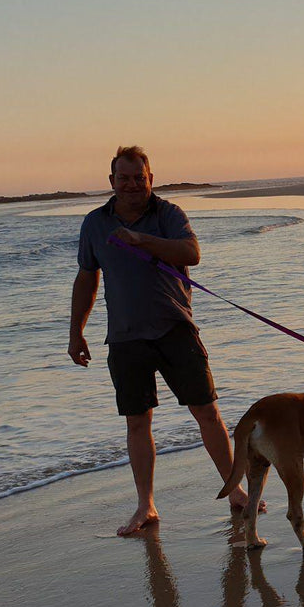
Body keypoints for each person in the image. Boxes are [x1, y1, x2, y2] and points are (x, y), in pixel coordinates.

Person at [68, 146, 252, 535]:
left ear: (150, 178)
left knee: (207, 413)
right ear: (112, 182)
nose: (133, 185)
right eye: (125, 178)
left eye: (140, 177)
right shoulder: (95, 223)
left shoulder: (168, 214)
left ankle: (235, 490)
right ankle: (145, 506)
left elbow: (191, 253)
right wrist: (75, 333)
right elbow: (87, 278)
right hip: (124, 338)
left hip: (175, 328)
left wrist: (141, 240)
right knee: (138, 422)